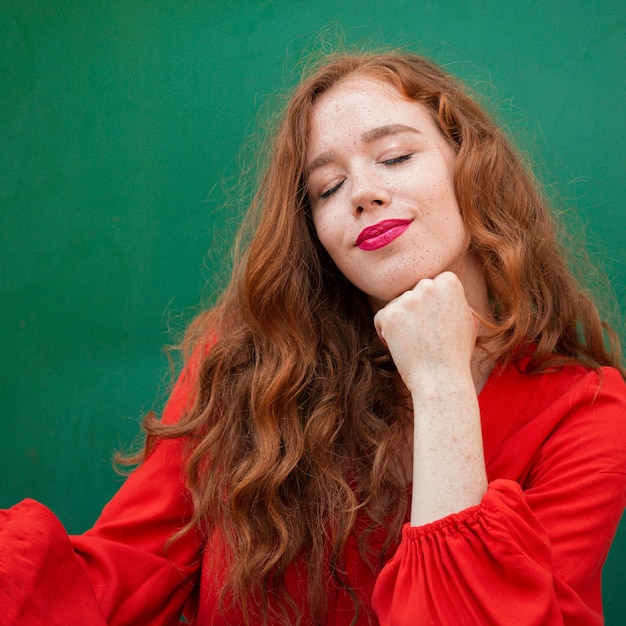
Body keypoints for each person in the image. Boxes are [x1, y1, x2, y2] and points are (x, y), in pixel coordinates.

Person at [2, 49, 626, 626]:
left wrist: (441, 384)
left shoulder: (589, 412)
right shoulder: (245, 365)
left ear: (472, 166)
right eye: (327, 188)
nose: (363, 194)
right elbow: (120, 578)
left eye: (395, 157)